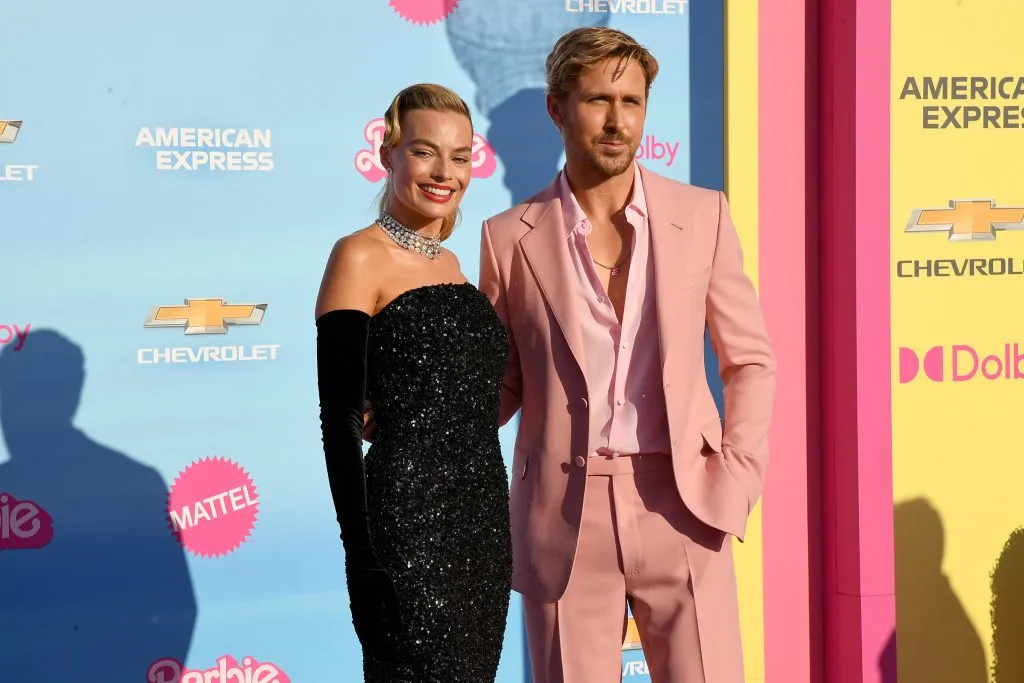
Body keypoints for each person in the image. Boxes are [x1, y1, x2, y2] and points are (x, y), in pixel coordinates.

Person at [478, 27, 776, 683]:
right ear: (558, 109)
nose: (618, 122)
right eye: (597, 101)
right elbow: (498, 385)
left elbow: (750, 360)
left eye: (632, 101)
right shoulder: (507, 239)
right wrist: (416, 418)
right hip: (563, 513)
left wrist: (738, 476)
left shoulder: (703, 216)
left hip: (686, 502)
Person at [315, 83, 512, 682]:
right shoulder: (358, 257)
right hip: (405, 529)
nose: (444, 172)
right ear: (388, 152)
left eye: (459, 157)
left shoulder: (454, 266)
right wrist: (362, 558)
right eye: (425, 152)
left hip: (482, 523)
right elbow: (341, 423)